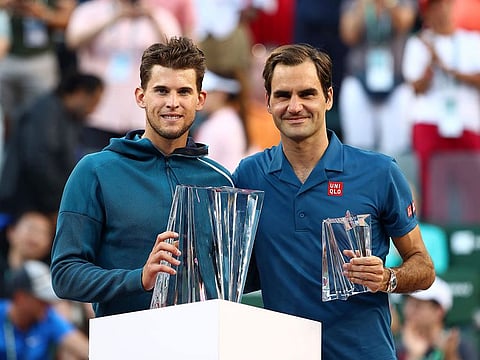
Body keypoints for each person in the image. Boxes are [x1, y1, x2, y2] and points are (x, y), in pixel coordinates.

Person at [232, 43, 435, 359]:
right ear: (269, 103)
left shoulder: (379, 172)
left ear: (328, 97)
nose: (295, 106)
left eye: (307, 94)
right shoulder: (248, 175)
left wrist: (388, 278)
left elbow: (423, 266)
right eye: (283, 95)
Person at [50, 37, 234, 318]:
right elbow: (65, 275)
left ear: (200, 99)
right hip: (125, 344)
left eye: (183, 92)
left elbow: (234, 275)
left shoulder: (221, 180)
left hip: (203, 343)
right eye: (161, 90)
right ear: (141, 96)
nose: (172, 103)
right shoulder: (95, 171)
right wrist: (139, 278)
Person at [65, 0, 181, 153]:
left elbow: (178, 52)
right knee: (96, 167)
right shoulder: (91, 11)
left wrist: (152, 17)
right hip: (99, 113)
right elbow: (73, 41)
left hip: (141, 116)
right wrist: (115, 17)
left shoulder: (159, 15)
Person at [402, 0, 480, 220]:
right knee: (432, 184)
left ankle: (474, 236)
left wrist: (449, 69)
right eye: (435, 7)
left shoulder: (472, 40)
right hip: (430, 119)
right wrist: (430, 67)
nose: (441, 11)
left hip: (466, 119)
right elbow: (416, 86)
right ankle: (435, 231)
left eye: (445, 5)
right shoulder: (419, 43)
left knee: (474, 182)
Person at [0, 72, 104, 220]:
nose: (93, 110)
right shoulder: (46, 110)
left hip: (46, 199)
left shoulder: (70, 118)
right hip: (26, 202)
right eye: (93, 102)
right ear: (79, 93)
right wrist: (59, 202)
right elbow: (39, 161)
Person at [339, 0, 417, 156]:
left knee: (396, 151)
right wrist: (366, 5)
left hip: (396, 82)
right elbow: (348, 34)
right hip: (359, 79)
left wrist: (388, 4)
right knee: (358, 149)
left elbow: (404, 23)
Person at [0, 260, 89, 359]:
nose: (48, 304)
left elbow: (84, 349)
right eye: (42, 300)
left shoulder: (47, 316)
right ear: (20, 298)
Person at [397, 277, 478, 360]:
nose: (408, 311)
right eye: (407, 304)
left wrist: (449, 355)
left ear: (439, 311)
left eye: (417, 306)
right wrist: (414, 355)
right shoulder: (396, 346)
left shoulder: (461, 347)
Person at [193, 70, 255, 172]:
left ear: (221, 94)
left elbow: (200, 168)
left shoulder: (216, 126)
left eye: (206, 91)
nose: (199, 97)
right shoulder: (232, 119)